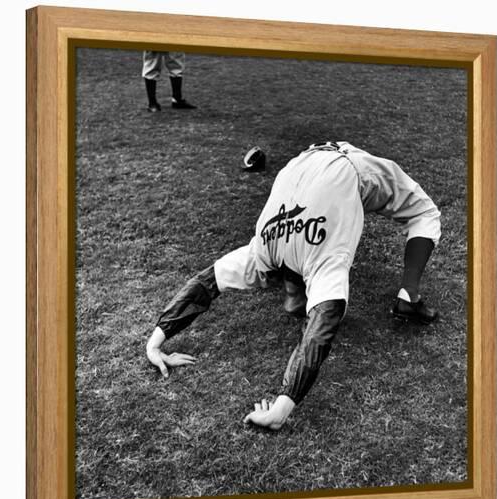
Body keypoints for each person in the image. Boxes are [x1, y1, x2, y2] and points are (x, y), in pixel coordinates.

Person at [146, 141, 441, 430]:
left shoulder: (270, 252)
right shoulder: (267, 253)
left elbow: (322, 320)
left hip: (341, 166)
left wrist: (156, 342)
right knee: (425, 215)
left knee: (423, 211)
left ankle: (409, 296)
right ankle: (408, 298)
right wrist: (155, 344)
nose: (297, 309)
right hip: (301, 167)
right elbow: (319, 324)